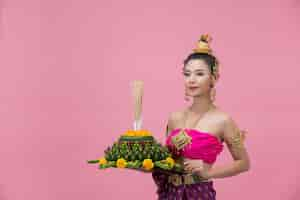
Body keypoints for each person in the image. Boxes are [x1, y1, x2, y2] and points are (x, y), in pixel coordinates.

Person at [152, 34, 251, 200]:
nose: (191, 80)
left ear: (213, 78)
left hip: (198, 193)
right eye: (187, 74)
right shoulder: (174, 118)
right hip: (169, 194)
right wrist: (143, 160)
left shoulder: (223, 120)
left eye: (199, 74)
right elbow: (167, 161)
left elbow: (244, 163)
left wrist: (209, 172)